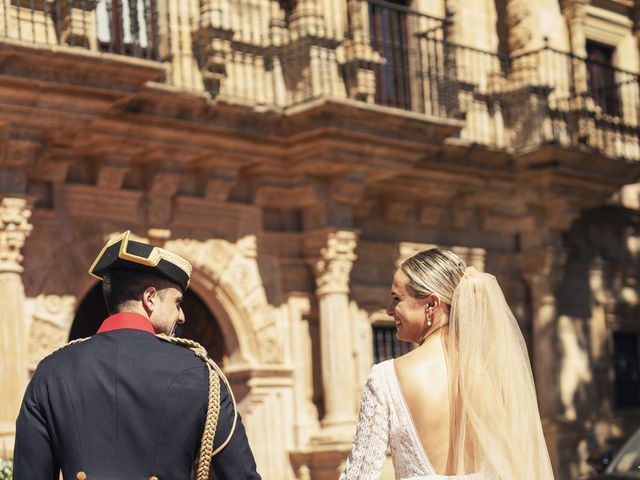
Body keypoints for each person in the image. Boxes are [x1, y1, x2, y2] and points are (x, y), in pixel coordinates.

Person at [13, 230, 262, 480]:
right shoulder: (202, 375)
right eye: (177, 302)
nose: (182, 316)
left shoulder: (52, 371)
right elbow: (241, 475)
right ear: (150, 298)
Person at [339, 248, 554, 479]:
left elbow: (360, 475)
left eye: (396, 299)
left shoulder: (386, 377)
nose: (389, 311)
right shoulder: (489, 372)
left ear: (431, 304)